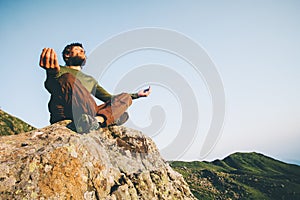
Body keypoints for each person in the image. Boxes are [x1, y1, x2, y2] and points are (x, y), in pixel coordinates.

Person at [39, 42, 151, 133]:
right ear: (67, 55)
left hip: (87, 113)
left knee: (124, 99)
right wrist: (52, 73)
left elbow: (109, 98)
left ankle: (97, 121)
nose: (82, 51)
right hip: (66, 111)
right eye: (77, 50)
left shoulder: (90, 80)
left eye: (83, 50)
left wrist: (136, 95)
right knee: (68, 78)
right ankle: (104, 119)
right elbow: (51, 87)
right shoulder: (60, 70)